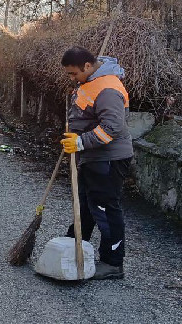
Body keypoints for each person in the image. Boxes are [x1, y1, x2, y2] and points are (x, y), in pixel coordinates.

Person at [60, 46, 133, 280]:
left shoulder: (108, 88)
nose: (72, 78)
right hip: (92, 158)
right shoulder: (91, 81)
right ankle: (75, 246)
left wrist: (81, 142)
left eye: (73, 74)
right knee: (85, 205)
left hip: (108, 159)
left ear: (88, 66)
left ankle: (113, 263)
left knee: (105, 209)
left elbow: (112, 127)